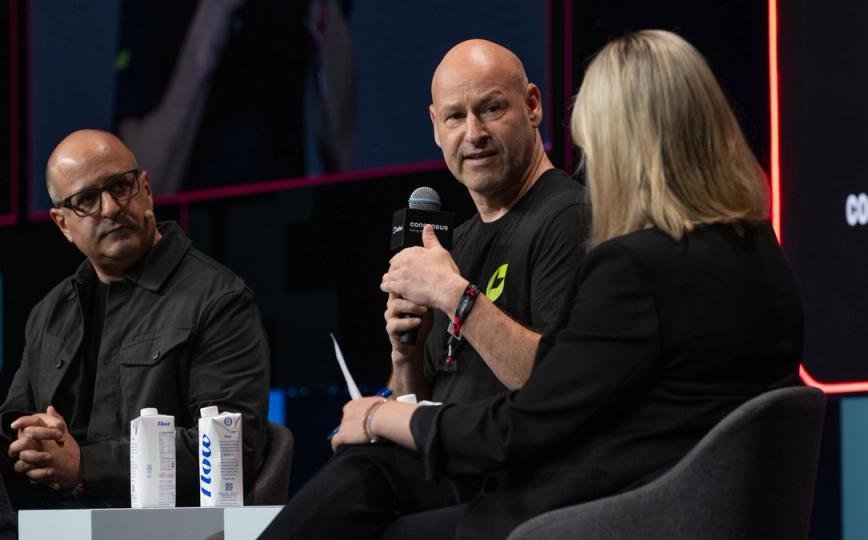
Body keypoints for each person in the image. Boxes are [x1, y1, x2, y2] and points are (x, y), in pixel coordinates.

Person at [331, 30, 804, 539]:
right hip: (692, 514)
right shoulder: (761, 251)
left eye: (592, 135)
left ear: (624, 143)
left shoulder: (631, 265)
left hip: (603, 517)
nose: (587, 156)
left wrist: (381, 415)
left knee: (367, 492)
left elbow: (522, 428)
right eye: (454, 116)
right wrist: (405, 360)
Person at [259, 39, 586, 538]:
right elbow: (424, 398)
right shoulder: (458, 243)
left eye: (492, 109)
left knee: (364, 474)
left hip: (513, 478)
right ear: (435, 126)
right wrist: (406, 354)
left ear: (533, 105)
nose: (473, 134)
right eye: (455, 117)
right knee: (362, 470)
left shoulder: (566, 216)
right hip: (447, 464)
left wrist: (456, 296)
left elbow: (555, 384)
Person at [0, 130, 271, 513]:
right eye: (87, 200)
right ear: (62, 224)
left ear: (145, 188)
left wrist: (84, 466)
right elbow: (15, 419)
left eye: (119, 186)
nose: (110, 208)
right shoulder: (49, 312)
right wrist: (31, 441)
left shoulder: (219, 300)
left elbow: (232, 453)